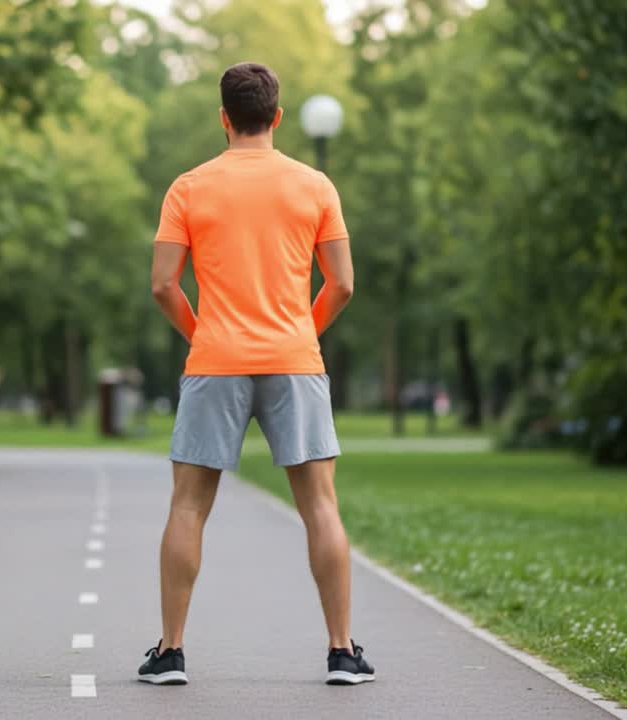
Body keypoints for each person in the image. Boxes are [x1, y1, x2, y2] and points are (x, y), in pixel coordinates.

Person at [138, 62, 374, 687]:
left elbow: (163, 284)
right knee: (321, 506)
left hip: (214, 361)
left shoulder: (188, 187)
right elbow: (343, 283)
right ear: (276, 116)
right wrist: (302, 331)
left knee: (188, 507)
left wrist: (202, 333)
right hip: (295, 360)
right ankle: (342, 651)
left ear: (223, 118)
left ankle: (171, 652)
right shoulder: (314, 184)